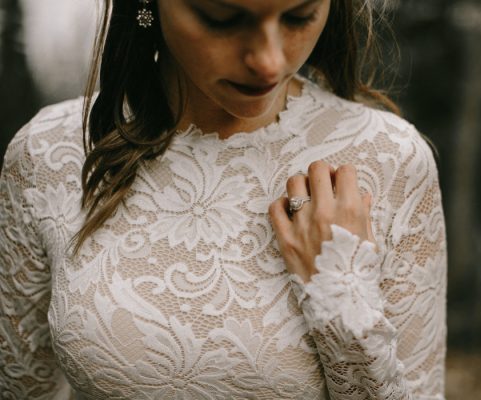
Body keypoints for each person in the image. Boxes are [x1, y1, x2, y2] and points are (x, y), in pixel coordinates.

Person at [0, 0, 447, 398]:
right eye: (223, 19)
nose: (269, 61)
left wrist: (342, 296)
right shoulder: (48, 155)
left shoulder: (390, 160)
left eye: (298, 16)